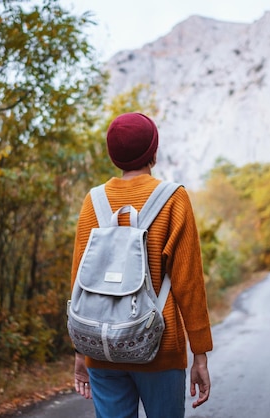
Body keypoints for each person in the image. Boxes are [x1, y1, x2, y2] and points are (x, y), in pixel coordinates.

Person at [70, 112, 213, 417]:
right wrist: (199, 353)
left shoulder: (93, 201)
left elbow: (79, 281)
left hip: (102, 347)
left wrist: (81, 351)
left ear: (113, 155)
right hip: (158, 348)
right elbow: (189, 283)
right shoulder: (174, 199)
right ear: (154, 151)